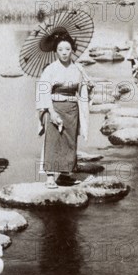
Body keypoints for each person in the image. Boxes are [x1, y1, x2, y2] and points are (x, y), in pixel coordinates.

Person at [36, 32, 93, 189]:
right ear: (56, 51)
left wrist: (89, 86)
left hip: (72, 109)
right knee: (53, 141)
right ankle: (50, 176)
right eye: (60, 49)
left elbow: (83, 90)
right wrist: (52, 113)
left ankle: (65, 175)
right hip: (54, 107)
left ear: (72, 50)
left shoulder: (78, 68)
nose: (64, 52)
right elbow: (43, 92)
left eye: (67, 49)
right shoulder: (50, 69)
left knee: (70, 141)